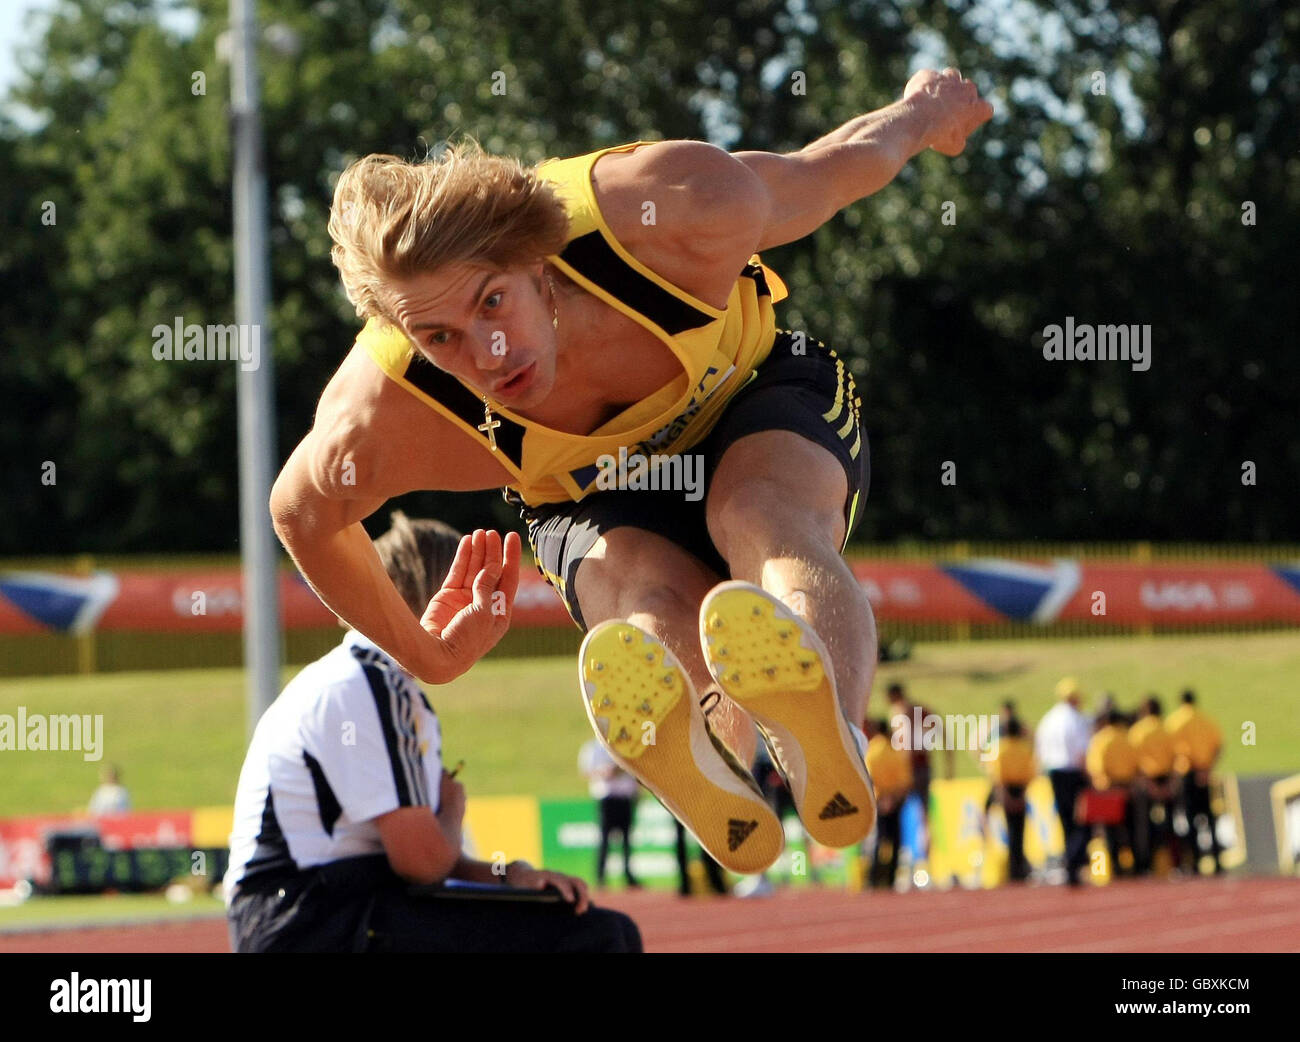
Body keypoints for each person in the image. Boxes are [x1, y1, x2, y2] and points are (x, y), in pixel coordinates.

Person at [270, 69, 993, 873]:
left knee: (757, 514)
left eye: (491, 303)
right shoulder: (381, 410)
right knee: (643, 596)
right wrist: (429, 656)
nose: (486, 355)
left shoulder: (663, 208)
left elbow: (827, 171)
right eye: (438, 338)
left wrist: (922, 112)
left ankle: (829, 736)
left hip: (751, 395)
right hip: (591, 494)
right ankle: (717, 758)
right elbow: (300, 515)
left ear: (536, 263)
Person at [225, 512, 641, 953]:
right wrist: (453, 811)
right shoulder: (364, 685)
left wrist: (510, 874)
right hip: (305, 919)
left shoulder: (392, 692)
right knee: (598, 937)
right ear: (425, 598)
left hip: (328, 908)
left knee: (585, 927)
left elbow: (434, 861)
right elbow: (423, 864)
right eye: (467, 591)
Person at [885, 682, 953, 861]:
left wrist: (903, 769)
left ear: (892, 696)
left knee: (895, 814)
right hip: (924, 767)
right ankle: (926, 861)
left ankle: (898, 860)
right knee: (924, 817)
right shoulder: (922, 710)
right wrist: (949, 765)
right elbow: (944, 734)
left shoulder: (899, 711)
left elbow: (906, 741)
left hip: (907, 769)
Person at [1035, 677, 1092, 886]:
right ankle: (1072, 861)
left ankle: (1071, 865)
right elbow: (1081, 752)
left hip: (1054, 774)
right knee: (1082, 822)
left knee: (1066, 821)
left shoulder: (1048, 719)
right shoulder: (1076, 720)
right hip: (1073, 774)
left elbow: (1040, 750)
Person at [1166, 689, 1224, 875]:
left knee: (1190, 819)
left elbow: (1174, 750)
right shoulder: (1206, 720)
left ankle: (1195, 862)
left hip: (1187, 774)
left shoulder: (1175, 721)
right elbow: (1218, 745)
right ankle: (1217, 861)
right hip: (1205, 774)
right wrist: (1206, 769)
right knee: (1209, 818)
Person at [578, 738, 641, 889]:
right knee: (604, 839)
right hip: (606, 798)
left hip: (625, 798)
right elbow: (585, 771)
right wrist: (605, 772)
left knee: (627, 840)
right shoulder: (593, 747)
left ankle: (628, 875)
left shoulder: (625, 745)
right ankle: (601, 876)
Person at [1085, 708, 1140, 878]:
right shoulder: (1129, 737)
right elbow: (1137, 763)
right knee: (1130, 828)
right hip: (1128, 787)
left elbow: (1096, 767)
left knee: (1110, 831)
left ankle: (1116, 866)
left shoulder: (1100, 739)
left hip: (1108, 789)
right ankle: (1134, 865)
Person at [1128, 696, 1178, 875]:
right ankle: (1175, 862)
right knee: (1171, 823)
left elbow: (1134, 761)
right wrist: (1170, 783)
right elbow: (1176, 757)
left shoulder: (1137, 731)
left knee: (1143, 825)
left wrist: (1149, 785)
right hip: (1166, 779)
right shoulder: (1167, 729)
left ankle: (1145, 864)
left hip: (1145, 781)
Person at [983, 716, 1035, 882]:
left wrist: (1005, 797)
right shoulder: (1024, 749)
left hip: (1005, 790)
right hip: (1020, 790)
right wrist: (1021, 796)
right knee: (1019, 830)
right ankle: (1018, 866)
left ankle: (1014, 868)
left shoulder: (999, 748)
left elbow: (997, 777)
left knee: (1011, 829)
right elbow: (1030, 773)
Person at [863, 717, 913, 890]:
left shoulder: (872, 750)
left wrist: (882, 798)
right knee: (896, 840)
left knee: (878, 840)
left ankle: (873, 879)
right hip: (896, 801)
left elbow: (868, 777)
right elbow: (905, 781)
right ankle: (891, 879)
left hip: (879, 800)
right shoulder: (896, 752)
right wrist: (894, 799)